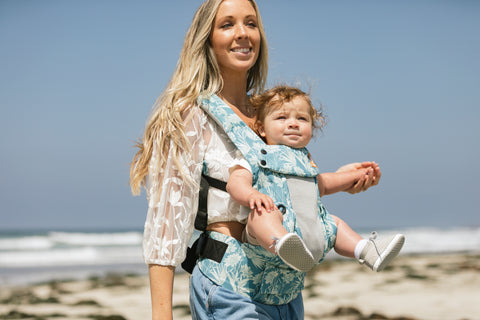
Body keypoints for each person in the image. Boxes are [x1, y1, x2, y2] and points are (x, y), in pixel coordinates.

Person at [130, 0, 383, 319]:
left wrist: (341, 180)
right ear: (206, 39)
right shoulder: (190, 116)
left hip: (286, 293)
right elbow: (165, 226)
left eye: (251, 24)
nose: (242, 33)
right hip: (229, 288)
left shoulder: (271, 117)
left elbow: (294, 190)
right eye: (227, 25)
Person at [227, 85, 405, 272]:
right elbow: (236, 181)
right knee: (262, 215)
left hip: (311, 237)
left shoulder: (306, 162)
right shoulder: (256, 156)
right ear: (262, 128)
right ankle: (283, 243)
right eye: (282, 117)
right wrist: (250, 195)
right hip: (267, 239)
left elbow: (324, 184)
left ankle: (366, 250)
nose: (293, 123)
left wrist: (356, 175)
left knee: (335, 223)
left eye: (302, 118)